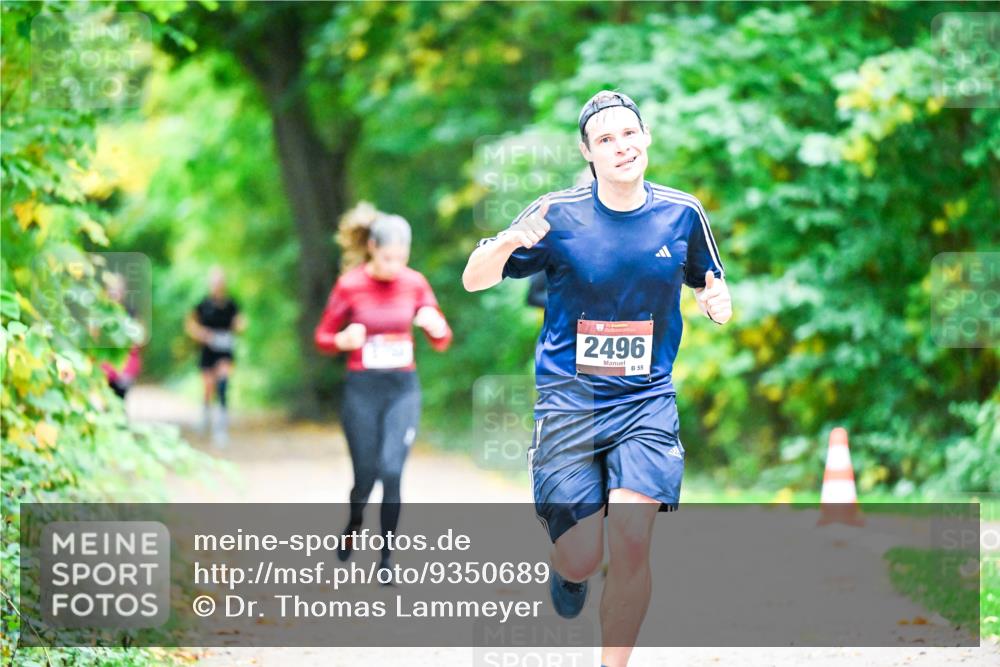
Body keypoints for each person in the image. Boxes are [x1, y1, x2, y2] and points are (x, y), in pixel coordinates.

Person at [462, 90, 732, 667]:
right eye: (605, 140)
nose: (621, 147)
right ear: (587, 153)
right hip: (570, 402)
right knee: (582, 555)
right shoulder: (556, 214)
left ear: (647, 137)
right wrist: (509, 241)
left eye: (629, 134)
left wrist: (716, 298)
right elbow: (473, 278)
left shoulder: (682, 213)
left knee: (631, 542)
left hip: (645, 401)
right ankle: (568, 570)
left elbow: (710, 279)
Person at [314, 202, 452, 578]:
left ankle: (386, 559)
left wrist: (434, 326)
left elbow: (442, 339)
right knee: (366, 475)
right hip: (362, 390)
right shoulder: (350, 285)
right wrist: (342, 339)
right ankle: (354, 523)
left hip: (402, 389)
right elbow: (322, 338)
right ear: (373, 248)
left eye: (402, 258)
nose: (395, 266)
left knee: (392, 471)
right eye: (388, 258)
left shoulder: (415, 283)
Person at [185, 267, 245, 447]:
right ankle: (205, 418)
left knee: (223, 384)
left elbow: (241, 322)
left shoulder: (231, 304)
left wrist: (237, 327)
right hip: (208, 350)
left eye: (220, 282)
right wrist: (202, 334)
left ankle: (221, 427)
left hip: (225, 349)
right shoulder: (203, 304)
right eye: (214, 283)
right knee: (208, 387)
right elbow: (190, 324)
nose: (217, 286)